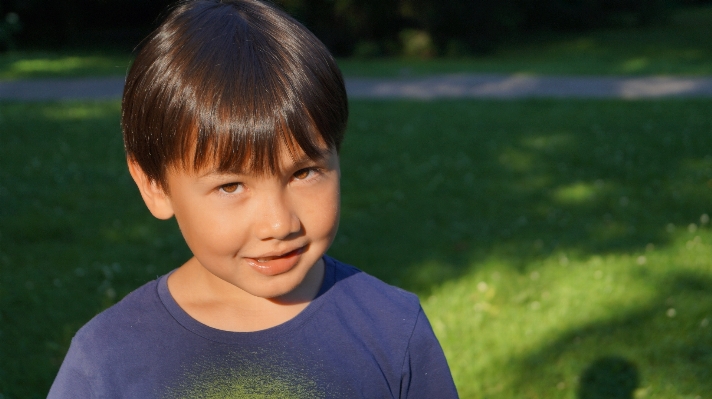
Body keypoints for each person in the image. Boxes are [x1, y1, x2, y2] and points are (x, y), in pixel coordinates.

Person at [48, 0, 458, 397]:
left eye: (303, 173)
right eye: (231, 186)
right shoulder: (106, 360)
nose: (280, 224)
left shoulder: (394, 330)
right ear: (155, 186)